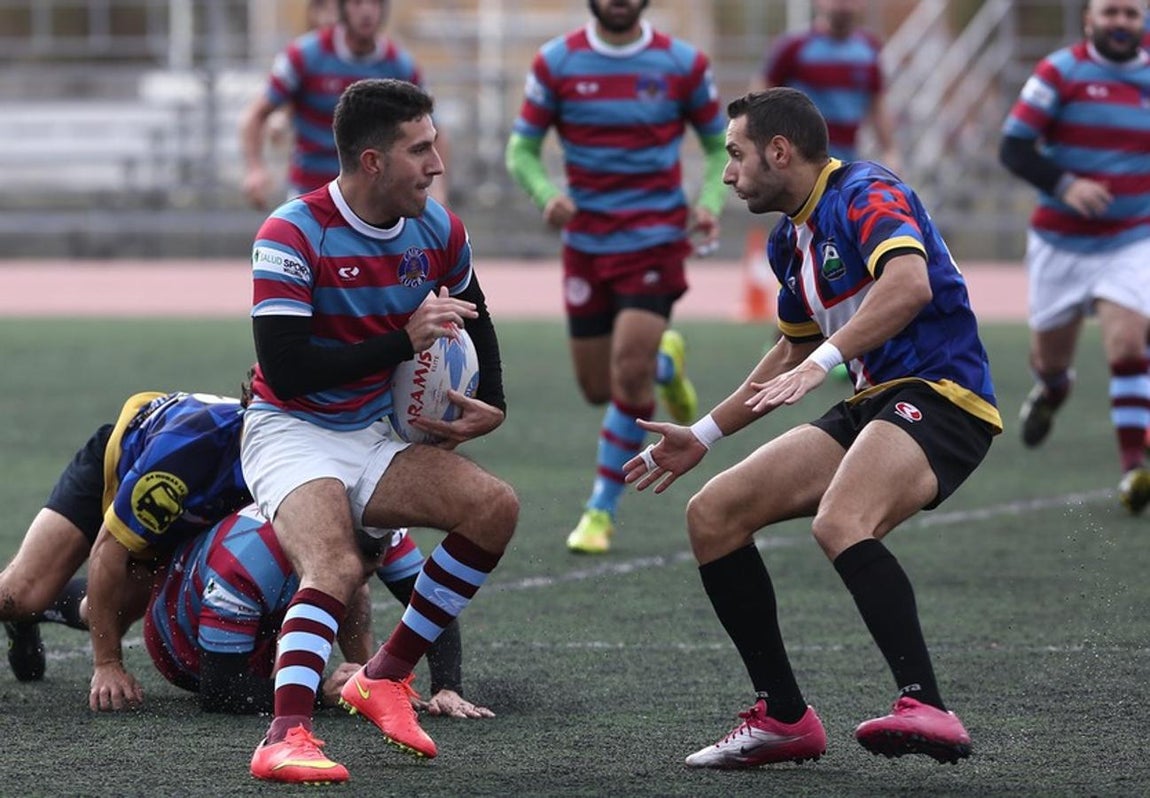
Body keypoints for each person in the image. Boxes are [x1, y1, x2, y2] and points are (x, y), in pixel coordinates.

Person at [624, 87, 1002, 768]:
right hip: (871, 401)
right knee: (713, 514)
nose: (728, 173)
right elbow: (791, 350)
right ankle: (785, 718)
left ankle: (927, 705)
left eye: (736, 156)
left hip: (943, 394)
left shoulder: (865, 191)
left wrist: (827, 359)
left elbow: (909, 285)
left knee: (840, 520)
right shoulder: (786, 239)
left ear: (779, 150)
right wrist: (703, 433)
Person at [243, 78, 517, 784]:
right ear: (372, 162)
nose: (437, 164)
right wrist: (400, 341)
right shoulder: (291, 231)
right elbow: (288, 368)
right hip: (288, 429)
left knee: (494, 508)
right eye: (419, 150)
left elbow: (475, 309)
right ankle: (285, 736)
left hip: (370, 432)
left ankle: (384, 677)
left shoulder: (439, 229)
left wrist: (492, 399)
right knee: (334, 565)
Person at [505, 0, 727, 555]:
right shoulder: (557, 62)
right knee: (598, 388)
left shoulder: (682, 63)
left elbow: (720, 142)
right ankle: (665, 362)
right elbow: (522, 149)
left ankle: (600, 509)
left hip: (654, 242)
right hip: (586, 247)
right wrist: (546, 194)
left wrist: (709, 200)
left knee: (628, 380)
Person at [0, 391, 251, 709]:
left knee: (107, 610)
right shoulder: (190, 446)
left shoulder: (298, 461)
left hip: (188, 515)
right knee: (20, 595)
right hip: (119, 469)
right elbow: (109, 548)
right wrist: (107, 665)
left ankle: (40, 611)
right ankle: (26, 610)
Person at [999, 0, 1150, 514]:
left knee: (1129, 340)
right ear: (1089, 19)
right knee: (1049, 359)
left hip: (1131, 238)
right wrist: (1067, 185)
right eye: (1112, 13)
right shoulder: (1060, 71)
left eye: (1132, 14)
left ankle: (1134, 468)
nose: (1122, 23)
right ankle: (1052, 390)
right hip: (1059, 244)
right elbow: (1014, 148)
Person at [143, 504, 493, 719]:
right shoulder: (246, 563)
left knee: (352, 587)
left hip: (273, 605)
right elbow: (218, 691)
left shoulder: (379, 527)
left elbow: (432, 607)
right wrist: (320, 693)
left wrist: (448, 687)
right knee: (91, 605)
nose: (368, 572)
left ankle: (369, 680)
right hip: (180, 646)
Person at [240, 0, 442, 209]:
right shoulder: (303, 56)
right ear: (342, 8)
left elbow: (434, 131)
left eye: (374, 3)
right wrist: (255, 168)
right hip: (311, 191)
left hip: (376, 200)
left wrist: (437, 191)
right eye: (357, 3)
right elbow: (256, 115)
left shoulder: (402, 66)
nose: (366, 11)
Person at [758, 0, 898, 171]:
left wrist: (890, 151)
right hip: (800, 164)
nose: (843, 6)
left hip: (846, 162)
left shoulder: (869, 49)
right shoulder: (793, 47)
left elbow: (877, 104)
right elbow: (761, 97)